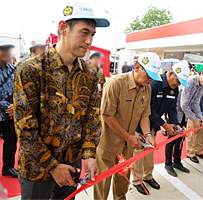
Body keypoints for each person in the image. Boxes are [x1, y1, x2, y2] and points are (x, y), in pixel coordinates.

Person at [13, 2, 110, 199]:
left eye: (92, 34)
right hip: (38, 168)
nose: (89, 40)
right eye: (84, 33)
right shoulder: (30, 69)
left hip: (72, 164)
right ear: (63, 28)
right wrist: (53, 166)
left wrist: (89, 154)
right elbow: (25, 127)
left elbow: (92, 117)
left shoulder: (91, 73)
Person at [94, 52, 161, 200]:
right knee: (103, 184)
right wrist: (128, 137)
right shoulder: (115, 83)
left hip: (128, 145)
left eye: (153, 77)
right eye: (148, 75)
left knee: (122, 182)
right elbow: (106, 115)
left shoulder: (147, 88)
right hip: (108, 144)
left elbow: (144, 115)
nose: (150, 80)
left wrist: (148, 134)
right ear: (137, 67)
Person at [133, 60, 190, 195]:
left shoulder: (174, 89)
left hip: (154, 126)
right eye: (178, 81)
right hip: (141, 124)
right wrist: (164, 125)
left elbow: (172, 108)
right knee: (138, 154)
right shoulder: (154, 84)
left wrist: (175, 124)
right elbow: (149, 109)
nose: (178, 85)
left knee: (149, 152)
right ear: (170, 74)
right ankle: (137, 180)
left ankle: (148, 176)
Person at [165, 66, 203, 176]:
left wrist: (200, 117)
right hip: (175, 112)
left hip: (185, 114)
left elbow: (196, 102)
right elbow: (183, 104)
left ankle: (177, 161)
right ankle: (168, 163)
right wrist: (194, 119)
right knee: (172, 139)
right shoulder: (190, 81)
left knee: (181, 138)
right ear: (202, 73)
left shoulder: (202, 86)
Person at [0, 39, 18, 178]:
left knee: (11, 142)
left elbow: (20, 89)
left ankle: (8, 167)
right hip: (2, 111)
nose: (7, 53)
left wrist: (16, 105)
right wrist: (6, 106)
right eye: (4, 50)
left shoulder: (14, 69)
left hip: (12, 115)